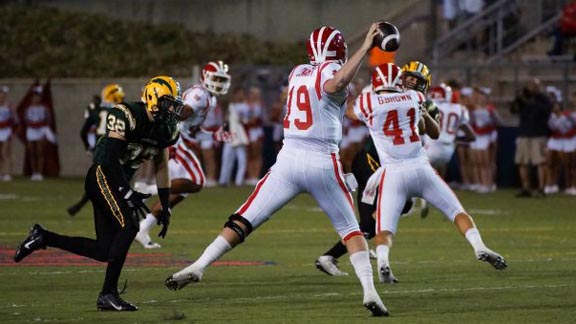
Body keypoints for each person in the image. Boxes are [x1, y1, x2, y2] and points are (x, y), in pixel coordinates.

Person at [165, 23, 389, 317]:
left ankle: (200, 265)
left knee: (244, 218)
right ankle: (370, 292)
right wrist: (366, 48)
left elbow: (315, 94)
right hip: (321, 159)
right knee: (351, 230)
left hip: (288, 159)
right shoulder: (329, 73)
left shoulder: (298, 72)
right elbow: (334, 84)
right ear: (337, 50)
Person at [13, 76, 182, 311]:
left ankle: (43, 237)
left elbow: (162, 167)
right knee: (130, 226)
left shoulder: (166, 129)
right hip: (102, 175)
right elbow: (110, 158)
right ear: (153, 97)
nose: (173, 109)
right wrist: (126, 191)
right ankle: (107, 294)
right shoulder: (128, 114)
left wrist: (165, 205)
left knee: (104, 250)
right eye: (168, 103)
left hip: (116, 181)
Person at [347, 62, 507, 285]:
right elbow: (425, 127)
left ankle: (383, 262)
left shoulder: (368, 101)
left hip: (393, 173)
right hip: (421, 168)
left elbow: (349, 111)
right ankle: (479, 246)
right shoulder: (415, 98)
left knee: (385, 229)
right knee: (456, 211)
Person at [315, 60, 433, 276]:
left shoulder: (417, 100)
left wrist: (422, 114)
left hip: (389, 165)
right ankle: (332, 256)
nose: (412, 82)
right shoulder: (380, 91)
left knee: (375, 221)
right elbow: (351, 111)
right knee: (380, 216)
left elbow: (430, 131)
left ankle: (330, 256)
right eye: (410, 77)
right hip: (372, 161)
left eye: (417, 80)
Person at [135, 61, 231, 249]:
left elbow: (193, 128)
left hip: (181, 138)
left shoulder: (210, 97)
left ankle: (142, 228)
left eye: (222, 80)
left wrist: (212, 134)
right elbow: (180, 114)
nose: (219, 83)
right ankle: (149, 190)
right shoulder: (200, 95)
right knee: (197, 180)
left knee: (181, 192)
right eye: (216, 79)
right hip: (176, 140)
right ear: (205, 77)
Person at [67, 84, 125, 216]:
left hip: (99, 150)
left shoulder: (96, 111)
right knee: (112, 181)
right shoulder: (120, 112)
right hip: (115, 149)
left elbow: (83, 132)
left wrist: (88, 148)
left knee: (102, 181)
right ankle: (117, 211)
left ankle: (79, 207)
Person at [510, 78, 552, 197]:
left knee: (540, 162)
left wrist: (530, 101)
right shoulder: (523, 98)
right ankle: (525, 187)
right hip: (524, 133)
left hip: (538, 134)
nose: (532, 87)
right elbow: (513, 110)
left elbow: (545, 111)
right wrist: (518, 100)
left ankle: (541, 188)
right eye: (530, 85)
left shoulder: (543, 99)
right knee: (522, 162)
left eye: (534, 85)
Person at [218, 87, 249, 187]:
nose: (240, 95)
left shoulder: (245, 106)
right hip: (230, 134)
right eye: (238, 93)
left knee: (241, 159)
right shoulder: (230, 105)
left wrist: (242, 119)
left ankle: (239, 181)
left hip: (239, 135)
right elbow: (225, 119)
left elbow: (246, 120)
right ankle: (223, 180)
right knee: (226, 158)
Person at [23, 87, 52, 181]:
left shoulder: (44, 108)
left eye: (38, 97)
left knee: (40, 151)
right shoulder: (28, 108)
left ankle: (39, 172)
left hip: (40, 130)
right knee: (31, 152)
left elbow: (48, 120)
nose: (36, 99)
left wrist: (43, 129)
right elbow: (25, 119)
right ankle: (34, 172)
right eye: (35, 97)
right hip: (31, 130)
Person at [245, 86, 265, 185]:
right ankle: (250, 175)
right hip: (248, 131)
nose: (253, 96)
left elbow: (255, 119)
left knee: (256, 154)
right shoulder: (246, 104)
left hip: (256, 131)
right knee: (249, 154)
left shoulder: (259, 105)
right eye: (252, 94)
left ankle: (255, 175)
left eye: (255, 94)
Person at [0, 86, 16, 181]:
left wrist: (12, 131)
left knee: (5, 153)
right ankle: (1, 173)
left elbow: (15, 119)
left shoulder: (9, 106)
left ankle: (8, 173)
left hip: (6, 131)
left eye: (2, 95)